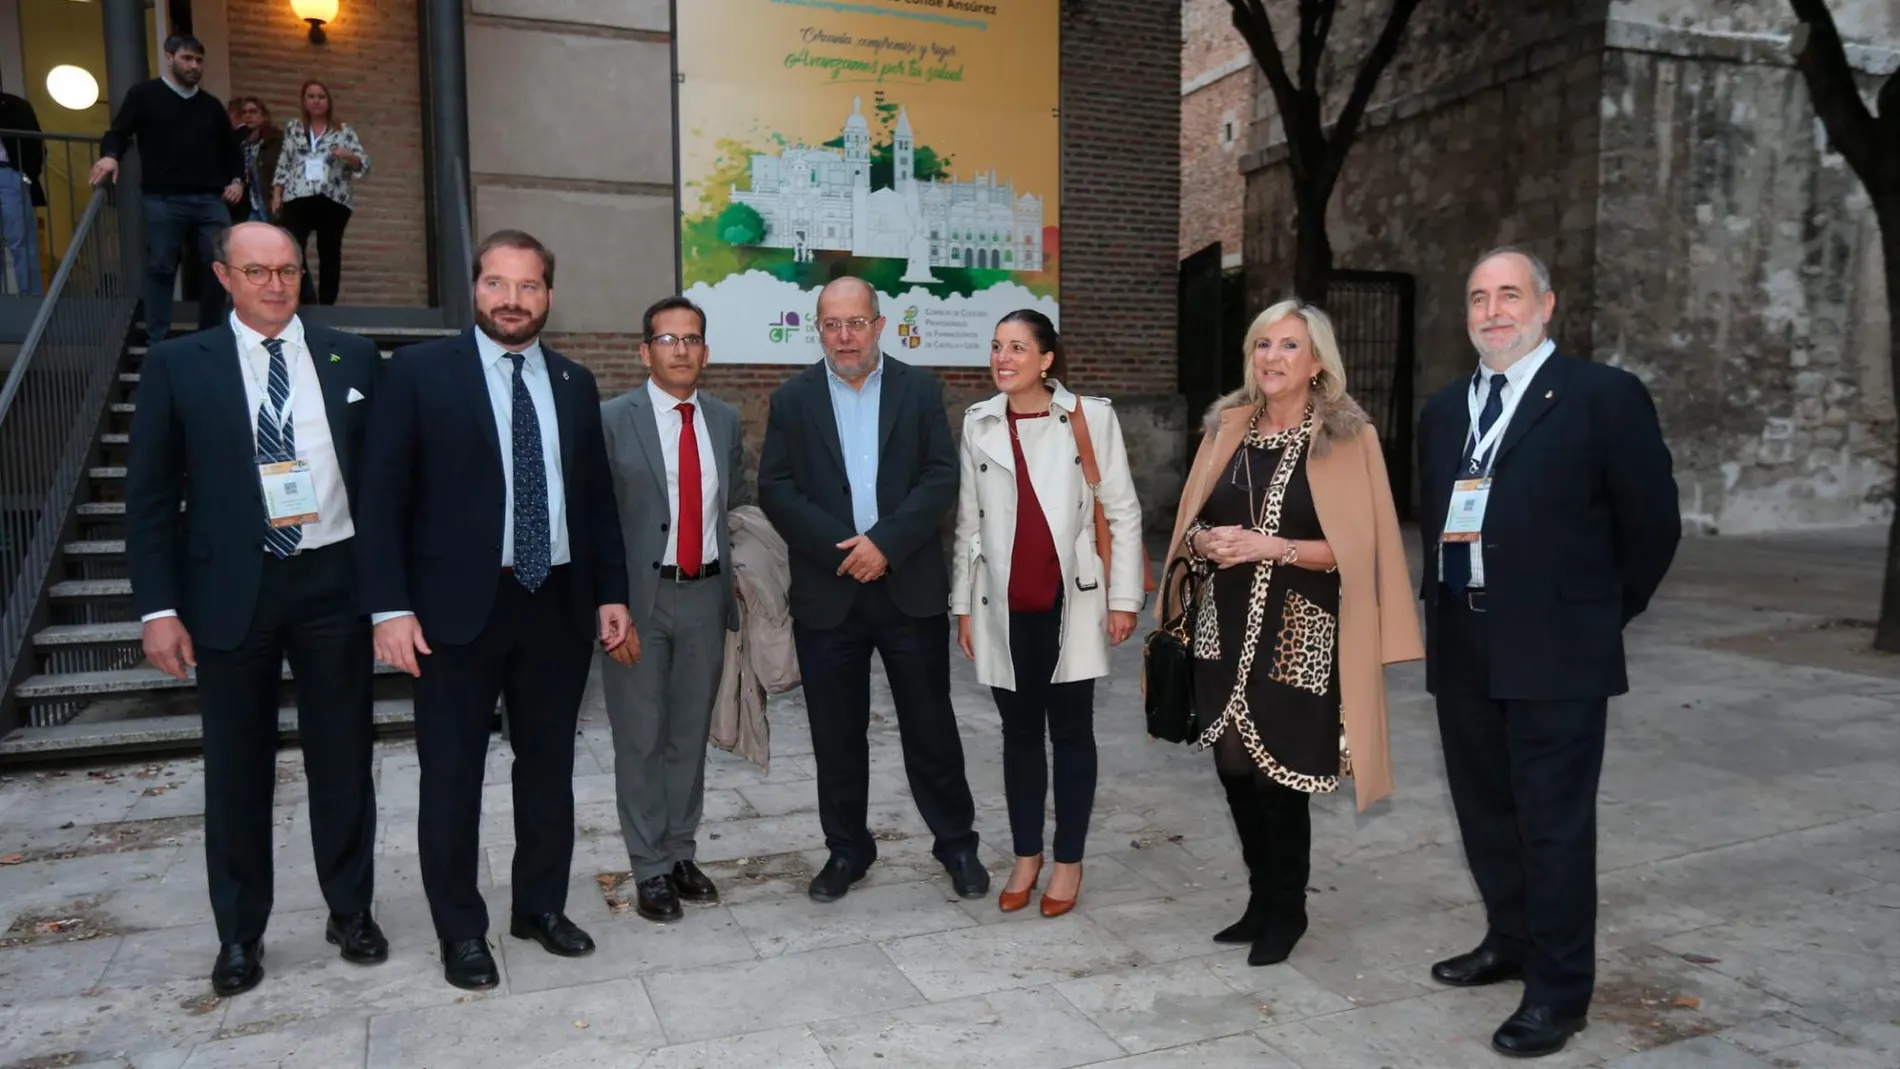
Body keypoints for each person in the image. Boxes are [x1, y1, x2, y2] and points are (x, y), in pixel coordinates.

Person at [354, 229, 631, 990]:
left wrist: (611, 591)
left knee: (548, 769)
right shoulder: (415, 373)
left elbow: (597, 502)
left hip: (557, 602)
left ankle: (538, 906)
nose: (513, 299)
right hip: (452, 611)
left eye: (530, 286)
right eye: (498, 284)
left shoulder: (574, 383)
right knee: (452, 775)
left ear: (548, 293)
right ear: (475, 288)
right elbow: (380, 499)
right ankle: (460, 928)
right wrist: (388, 607)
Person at [1419, 247, 1679, 1058]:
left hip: (1557, 646)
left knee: (1554, 825)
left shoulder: (1602, 397)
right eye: (1477, 298)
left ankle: (1560, 991)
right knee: (1486, 807)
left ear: (1546, 303)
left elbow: (1652, 525)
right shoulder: (1443, 409)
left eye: (1509, 294)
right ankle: (1511, 937)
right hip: (1465, 637)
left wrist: (1597, 613)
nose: (1493, 310)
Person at [124, 222, 385, 996]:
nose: (276, 285)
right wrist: (158, 609)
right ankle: (240, 933)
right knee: (238, 771)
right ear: (223, 276)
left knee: (344, 759)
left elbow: (384, 477)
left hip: (334, 582)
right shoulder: (179, 365)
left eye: (289, 270)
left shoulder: (353, 356)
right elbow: (146, 498)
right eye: (257, 271)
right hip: (230, 592)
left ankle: (351, 909)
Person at [1160, 300, 1422, 968]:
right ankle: (1259, 897)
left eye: (1288, 346)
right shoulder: (1226, 428)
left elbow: (1352, 548)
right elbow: (1187, 522)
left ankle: (1290, 908)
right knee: (1232, 767)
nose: (1271, 358)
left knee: (1282, 778)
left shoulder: (1345, 437)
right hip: (1222, 625)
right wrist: (1207, 538)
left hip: (1299, 629)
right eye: (1262, 344)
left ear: (1316, 362)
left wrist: (1269, 546)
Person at [757, 276, 987, 904]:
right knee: (835, 733)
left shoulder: (919, 390)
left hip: (906, 584)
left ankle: (957, 844)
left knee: (930, 725)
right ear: (819, 330)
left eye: (856, 322)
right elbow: (776, 488)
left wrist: (884, 543)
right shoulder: (793, 398)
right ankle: (847, 850)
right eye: (832, 324)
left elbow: (941, 477)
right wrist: (846, 550)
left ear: (879, 325)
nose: (845, 336)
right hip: (829, 594)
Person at [950, 310, 1142, 917]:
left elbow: (1124, 510)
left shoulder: (1090, 418)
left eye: (1017, 348)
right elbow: (966, 523)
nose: (1003, 359)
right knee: (1018, 735)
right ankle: (1026, 854)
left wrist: (1122, 599)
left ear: (1046, 359)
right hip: (1003, 603)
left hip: (1073, 599)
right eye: (996, 348)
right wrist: (960, 604)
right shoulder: (977, 423)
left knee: (1072, 732)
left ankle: (1068, 861)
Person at [598, 295, 746, 923]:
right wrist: (608, 602)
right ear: (645, 351)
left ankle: (681, 852)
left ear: (705, 352)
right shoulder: (611, 419)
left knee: (689, 735)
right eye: (667, 339)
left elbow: (735, 506)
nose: (681, 349)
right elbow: (596, 518)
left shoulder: (725, 420)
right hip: (639, 601)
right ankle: (648, 867)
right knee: (641, 738)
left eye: (692, 339)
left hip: (705, 596)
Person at [90, 34, 243, 342]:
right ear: (169, 57)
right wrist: (109, 157)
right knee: (161, 267)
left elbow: (231, 151)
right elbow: (118, 132)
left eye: (199, 60)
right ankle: (157, 339)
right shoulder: (144, 95)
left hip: (208, 199)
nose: (194, 66)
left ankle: (210, 335)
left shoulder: (211, 106)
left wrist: (237, 180)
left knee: (221, 263)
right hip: (162, 198)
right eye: (187, 58)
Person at [272, 80, 369, 306]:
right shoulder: (294, 128)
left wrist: (347, 155)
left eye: (321, 97)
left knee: (329, 252)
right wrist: (277, 193)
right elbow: (284, 162)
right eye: (311, 96)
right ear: (304, 101)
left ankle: (327, 305)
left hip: (333, 197)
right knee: (293, 248)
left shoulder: (343, 131)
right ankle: (305, 298)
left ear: (328, 101)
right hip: (298, 196)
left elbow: (363, 164)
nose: (316, 101)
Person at [0, 74, 45, 295]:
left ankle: (31, 300)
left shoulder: (15, 106)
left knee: (21, 242)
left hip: (9, 174)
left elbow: (35, 143)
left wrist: (26, 175)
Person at [233, 97, 284, 225]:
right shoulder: (244, 143)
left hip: (272, 201)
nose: (248, 116)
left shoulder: (276, 139)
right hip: (254, 204)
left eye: (253, 111)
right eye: (244, 112)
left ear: (264, 115)